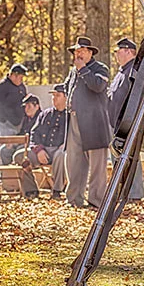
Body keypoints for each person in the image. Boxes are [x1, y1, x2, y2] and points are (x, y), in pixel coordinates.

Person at [64, 36, 110, 209]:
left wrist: (83, 69)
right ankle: (74, 199)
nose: (78, 54)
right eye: (76, 51)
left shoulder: (100, 69)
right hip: (74, 120)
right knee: (74, 162)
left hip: (94, 123)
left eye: (82, 51)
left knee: (97, 167)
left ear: (90, 52)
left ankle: (96, 201)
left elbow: (97, 86)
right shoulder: (73, 70)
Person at [13, 84, 67, 199]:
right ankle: (31, 190)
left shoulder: (71, 115)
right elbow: (34, 133)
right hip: (43, 150)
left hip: (62, 150)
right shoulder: (45, 114)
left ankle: (57, 190)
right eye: (53, 96)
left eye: (57, 96)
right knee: (20, 156)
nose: (54, 98)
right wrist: (38, 149)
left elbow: (74, 135)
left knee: (61, 155)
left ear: (66, 97)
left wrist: (66, 145)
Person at [108, 37, 144, 202]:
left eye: (118, 51)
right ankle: (124, 194)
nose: (116, 55)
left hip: (128, 124)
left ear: (129, 51)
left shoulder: (135, 71)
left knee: (130, 159)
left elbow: (140, 97)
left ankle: (134, 195)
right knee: (119, 159)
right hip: (116, 124)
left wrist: (133, 121)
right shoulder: (122, 72)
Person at [0, 94, 42, 165]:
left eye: (29, 106)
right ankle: (6, 173)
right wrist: (12, 141)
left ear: (37, 107)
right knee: (4, 150)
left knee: (19, 151)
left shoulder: (41, 118)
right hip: (22, 142)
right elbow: (21, 132)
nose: (26, 109)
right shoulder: (26, 119)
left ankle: (17, 173)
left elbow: (36, 136)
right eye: (25, 106)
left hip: (32, 145)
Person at [0, 64, 27, 135]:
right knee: (7, 144)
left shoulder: (22, 87)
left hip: (20, 123)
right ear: (14, 75)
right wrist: (3, 121)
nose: (22, 80)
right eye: (21, 77)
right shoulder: (1, 87)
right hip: (6, 125)